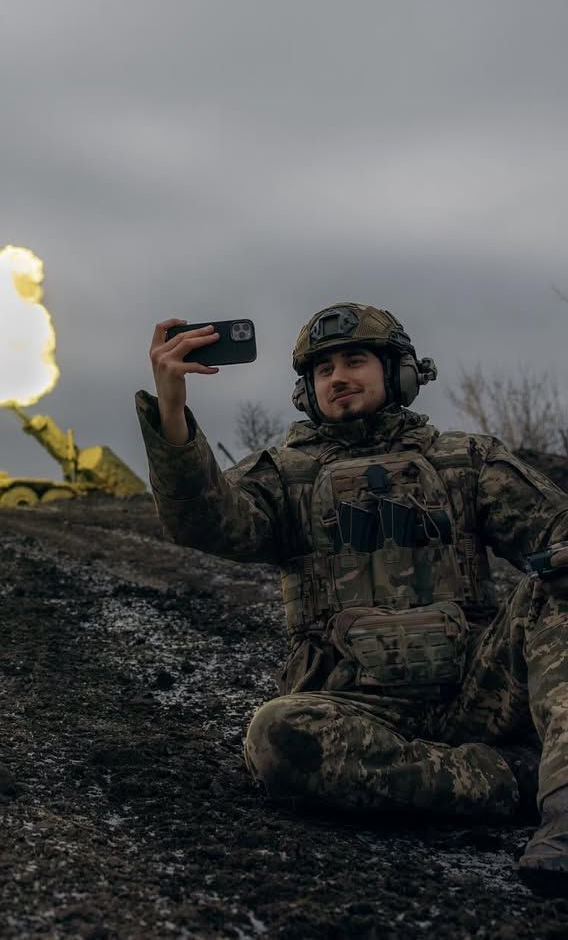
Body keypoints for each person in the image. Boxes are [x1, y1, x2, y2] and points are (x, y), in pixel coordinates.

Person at [135, 303, 568, 890]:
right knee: (278, 737)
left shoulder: (466, 460)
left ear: (401, 372)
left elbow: (556, 529)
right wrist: (171, 405)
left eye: (355, 360)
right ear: (306, 392)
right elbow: (205, 522)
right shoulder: (285, 476)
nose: (338, 376)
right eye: (323, 370)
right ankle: (512, 779)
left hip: (478, 693)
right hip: (355, 709)